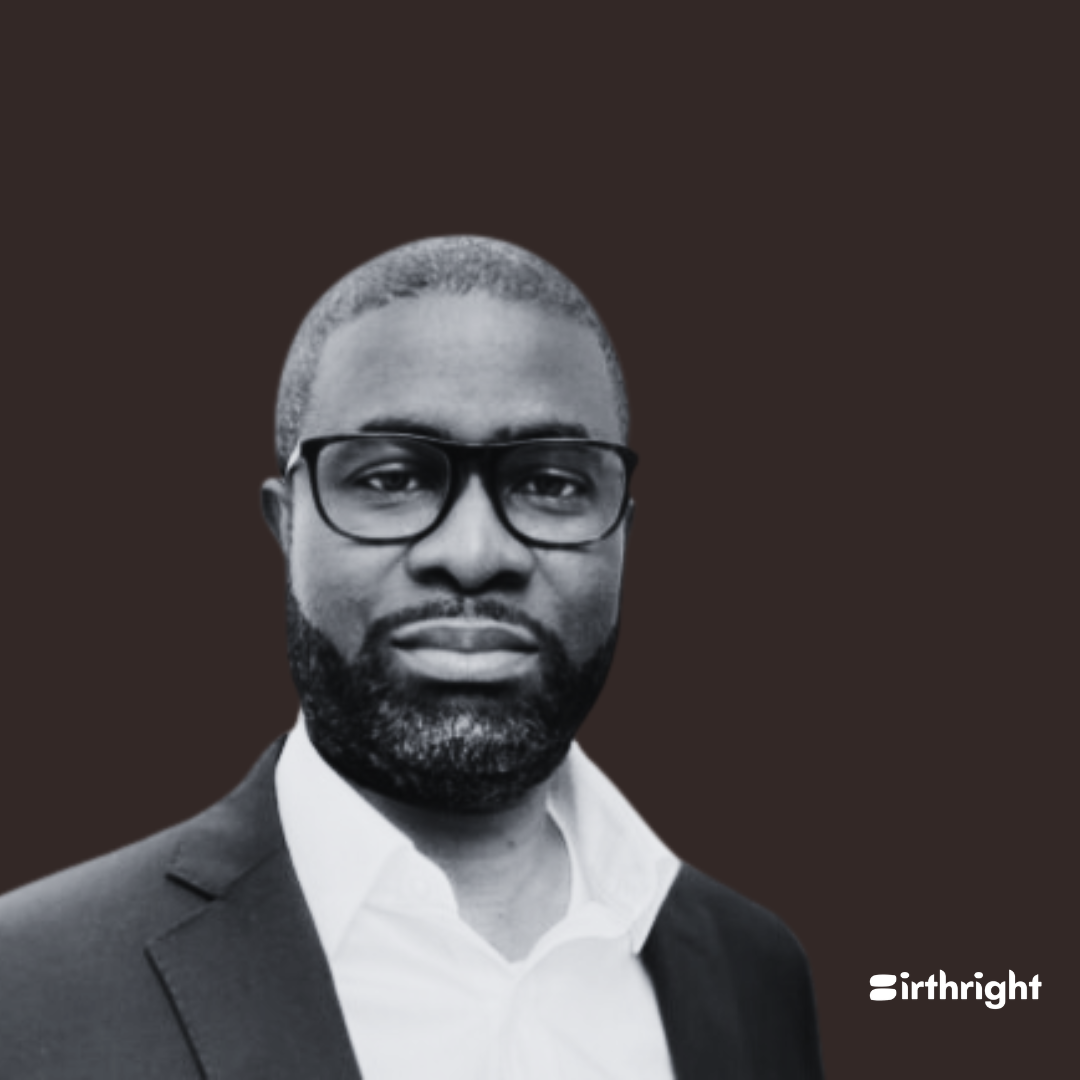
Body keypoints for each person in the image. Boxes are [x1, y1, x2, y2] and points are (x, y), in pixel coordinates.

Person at [0, 237, 824, 1079]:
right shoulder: (23, 985)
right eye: (393, 479)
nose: (473, 553)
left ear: (622, 535)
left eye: (550, 482)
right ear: (288, 527)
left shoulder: (754, 973)